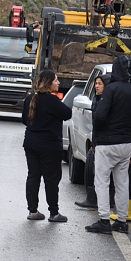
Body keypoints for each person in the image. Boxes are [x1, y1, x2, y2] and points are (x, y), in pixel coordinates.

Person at [86, 55, 131, 235]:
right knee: (122, 183)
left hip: (107, 142)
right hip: (127, 143)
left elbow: (101, 115)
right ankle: (121, 221)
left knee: (102, 181)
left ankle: (104, 220)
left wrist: (98, 131)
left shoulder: (111, 89)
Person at [22, 70, 72, 222]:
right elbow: (67, 113)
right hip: (49, 145)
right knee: (51, 179)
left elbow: (25, 120)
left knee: (33, 176)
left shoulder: (31, 98)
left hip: (30, 142)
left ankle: (32, 210)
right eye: (56, 80)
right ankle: (54, 212)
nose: (58, 83)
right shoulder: (51, 100)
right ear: (49, 83)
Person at [75, 74, 110, 209]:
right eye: (96, 83)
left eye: (99, 84)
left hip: (105, 143)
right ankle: (92, 199)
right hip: (97, 141)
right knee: (95, 172)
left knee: (102, 175)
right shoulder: (97, 99)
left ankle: (100, 204)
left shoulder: (105, 102)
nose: (96, 86)